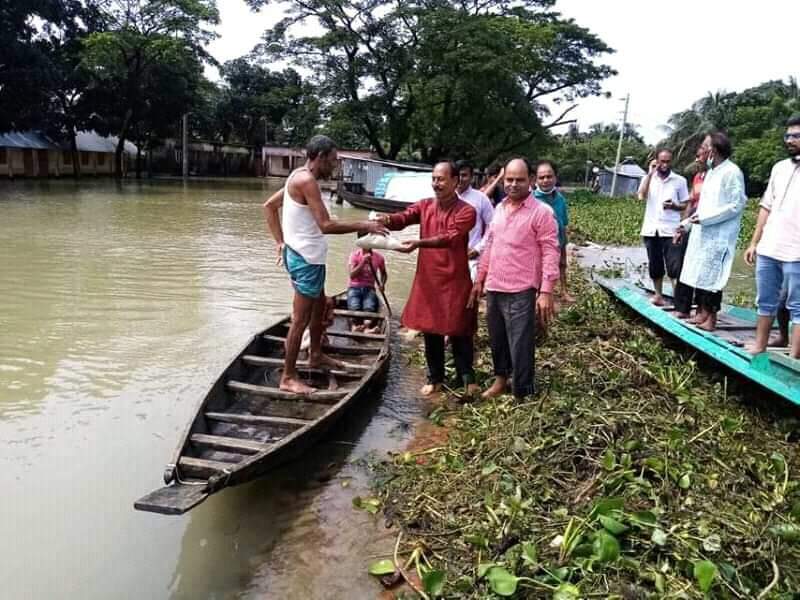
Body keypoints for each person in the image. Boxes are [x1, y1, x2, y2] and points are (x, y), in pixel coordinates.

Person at [263, 135, 388, 394]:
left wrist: (280, 242)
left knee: (320, 307)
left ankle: (316, 354)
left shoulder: (296, 175)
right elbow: (326, 225)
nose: (335, 166)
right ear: (320, 157)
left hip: (309, 258)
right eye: (333, 161)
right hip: (306, 261)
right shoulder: (307, 181)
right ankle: (288, 376)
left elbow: (270, 206)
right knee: (300, 320)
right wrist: (365, 224)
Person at [377, 161, 479, 397]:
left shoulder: (466, 211)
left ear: (455, 181)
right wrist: (387, 220)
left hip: (455, 279)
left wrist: (419, 243)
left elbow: (450, 237)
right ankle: (435, 378)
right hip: (429, 278)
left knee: (459, 329)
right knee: (431, 330)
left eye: (441, 179)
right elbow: (404, 217)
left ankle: (467, 378)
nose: (436, 183)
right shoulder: (424, 206)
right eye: (433, 178)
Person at [468, 158, 560, 399]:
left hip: (522, 289)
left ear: (530, 180)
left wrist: (546, 291)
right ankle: (500, 380)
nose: (513, 184)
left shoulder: (542, 212)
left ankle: (523, 391)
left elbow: (551, 250)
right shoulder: (498, 208)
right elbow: (489, 245)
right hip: (495, 286)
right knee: (497, 339)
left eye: (519, 180)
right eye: (509, 179)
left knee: (521, 345)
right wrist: (479, 280)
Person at [678, 132, 748, 332]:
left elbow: (736, 204)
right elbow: (702, 208)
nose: (701, 150)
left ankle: (712, 318)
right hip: (703, 233)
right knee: (701, 274)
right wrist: (686, 225)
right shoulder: (710, 173)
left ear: (714, 150)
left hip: (719, 235)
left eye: (704, 146)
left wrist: (707, 219)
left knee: (714, 278)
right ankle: (702, 313)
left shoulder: (732, 172)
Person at [743, 115, 800, 357]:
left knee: (797, 307)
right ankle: (760, 344)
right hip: (769, 247)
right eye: (788, 135)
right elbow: (766, 207)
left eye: (796, 135)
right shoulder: (779, 168)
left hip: (797, 251)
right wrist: (754, 242)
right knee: (765, 300)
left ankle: (794, 356)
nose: (790, 140)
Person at [637, 149, 690, 306]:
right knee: (655, 265)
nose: (665, 164)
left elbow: (685, 204)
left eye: (668, 161)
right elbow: (641, 196)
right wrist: (649, 174)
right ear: (656, 162)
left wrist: (674, 206)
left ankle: (678, 301)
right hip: (651, 229)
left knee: (674, 267)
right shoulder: (648, 179)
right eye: (662, 161)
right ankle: (658, 295)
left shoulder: (679, 181)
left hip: (671, 230)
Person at [672, 140, 711, 318]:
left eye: (701, 153)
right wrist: (681, 226)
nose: (698, 157)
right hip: (692, 224)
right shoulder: (697, 177)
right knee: (683, 265)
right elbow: (691, 203)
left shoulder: (715, 176)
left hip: (706, 225)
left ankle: (702, 309)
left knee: (702, 268)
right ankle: (683, 307)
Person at [533, 160, 573, 302]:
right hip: (540, 243)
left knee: (562, 264)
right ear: (535, 179)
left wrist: (564, 241)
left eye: (549, 176)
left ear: (555, 178)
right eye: (541, 177)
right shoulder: (533, 199)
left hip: (559, 239)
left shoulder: (560, 198)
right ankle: (540, 293)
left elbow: (564, 222)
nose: (545, 180)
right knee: (539, 268)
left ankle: (564, 291)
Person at [456, 160, 494, 281]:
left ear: (472, 177)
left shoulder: (481, 198)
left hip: (471, 257)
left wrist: (479, 248)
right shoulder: (445, 197)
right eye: (457, 175)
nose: (460, 179)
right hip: (448, 256)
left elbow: (492, 226)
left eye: (464, 175)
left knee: (468, 296)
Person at [347, 235, 387, 332]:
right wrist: (363, 262)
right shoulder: (354, 255)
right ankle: (356, 327)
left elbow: (384, 273)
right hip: (354, 287)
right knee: (354, 306)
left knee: (369, 307)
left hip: (369, 288)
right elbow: (352, 275)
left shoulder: (379, 257)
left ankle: (366, 327)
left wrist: (382, 284)